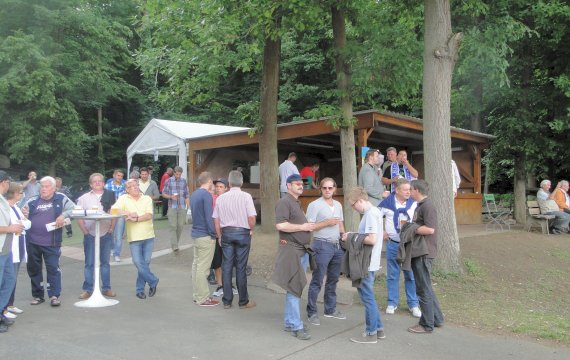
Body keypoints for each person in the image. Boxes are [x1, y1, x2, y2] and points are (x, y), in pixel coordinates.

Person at [272, 174, 316, 341]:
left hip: (301, 250)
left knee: (294, 287)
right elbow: (280, 225)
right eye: (297, 184)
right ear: (288, 185)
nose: (300, 186)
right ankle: (296, 325)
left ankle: (290, 322)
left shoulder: (295, 202)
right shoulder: (284, 202)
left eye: (301, 183)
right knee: (294, 287)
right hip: (291, 250)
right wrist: (303, 226)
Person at [343, 186, 386, 343]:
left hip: (366, 264)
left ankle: (371, 333)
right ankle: (379, 330)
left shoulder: (370, 214)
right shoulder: (373, 213)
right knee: (369, 297)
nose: (353, 208)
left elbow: (371, 239)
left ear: (360, 200)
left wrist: (351, 236)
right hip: (370, 262)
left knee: (368, 299)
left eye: (353, 205)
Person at [27, 176, 75, 307]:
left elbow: (74, 209)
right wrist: (23, 213)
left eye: (47, 186)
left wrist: (63, 215)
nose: (43, 189)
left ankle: (54, 295)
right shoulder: (32, 200)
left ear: (54, 188)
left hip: (52, 242)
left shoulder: (60, 198)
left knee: (53, 268)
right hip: (33, 241)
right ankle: (38, 295)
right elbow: (20, 212)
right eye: (42, 186)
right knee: (34, 269)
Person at [213, 170, 257, 309]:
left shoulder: (221, 198)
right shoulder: (246, 196)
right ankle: (243, 301)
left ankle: (227, 301)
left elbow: (216, 219)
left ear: (229, 183)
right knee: (241, 267)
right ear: (242, 182)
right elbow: (251, 217)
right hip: (242, 233)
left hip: (226, 233)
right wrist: (251, 229)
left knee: (226, 266)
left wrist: (219, 235)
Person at [378, 178, 421, 318]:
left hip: (409, 244)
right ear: (397, 190)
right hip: (393, 244)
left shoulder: (414, 204)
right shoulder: (387, 203)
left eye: (409, 189)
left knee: (410, 275)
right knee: (392, 275)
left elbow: (420, 220)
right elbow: (376, 217)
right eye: (405, 189)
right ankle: (392, 302)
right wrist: (381, 230)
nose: (409, 192)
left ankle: (413, 304)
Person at [306, 177, 345, 326]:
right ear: (320, 189)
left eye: (330, 188)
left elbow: (340, 222)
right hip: (321, 245)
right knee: (317, 280)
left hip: (336, 246)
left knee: (333, 280)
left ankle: (330, 309)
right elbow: (310, 226)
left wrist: (343, 235)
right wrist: (326, 223)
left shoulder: (338, 204)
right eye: (324, 188)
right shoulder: (314, 205)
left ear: (335, 188)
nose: (327, 190)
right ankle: (312, 312)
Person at [408, 179, 444, 333]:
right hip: (421, 251)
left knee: (423, 289)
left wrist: (411, 228)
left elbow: (430, 230)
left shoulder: (428, 206)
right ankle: (437, 319)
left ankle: (426, 324)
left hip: (425, 252)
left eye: (410, 189)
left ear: (416, 190)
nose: (409, 192)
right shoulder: (420, 206)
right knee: (426, 288)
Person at [113, 179, 159, 300]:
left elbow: (149, 215)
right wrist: (127, 212)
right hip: (134, 237)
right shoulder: (124, 198)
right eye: (131, 186)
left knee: (145, 263)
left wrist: (136, 218)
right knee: (138, 263)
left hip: (148, 236)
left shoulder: (147, 198)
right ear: (127, 190)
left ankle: (139, 290)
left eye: (136, 185)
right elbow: (113, 210)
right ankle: (153, 281)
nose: (135, 187)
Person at [76, 173, 117, 300]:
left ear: (104, 183)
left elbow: (114, 212)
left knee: (105, 263)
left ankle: (106, 288)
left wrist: (111, 229)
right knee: (89, 263)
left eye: (100, 181)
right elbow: (78, 215)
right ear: (90, 184)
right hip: (90, 234)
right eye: (95, 181)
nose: (98, 183)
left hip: (105, 233)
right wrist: (85, 231)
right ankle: (88, 289)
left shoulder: (110, 195)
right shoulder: (83, 198)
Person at [190, 172, 218, 307]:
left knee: (196, 266)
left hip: (195, 233)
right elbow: (209, 216)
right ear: (209, 181)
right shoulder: (206, 195)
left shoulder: (194, 194)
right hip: (205, 235)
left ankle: (197, 295)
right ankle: (203, 298)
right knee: (203, 268)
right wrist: (214, 234)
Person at [0, 171, 24, 332]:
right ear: (3, 182)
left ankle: (1, 310)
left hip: (6, 250)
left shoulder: (2, 200)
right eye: (8, 182)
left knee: (9, 280)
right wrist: (11, 228)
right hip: (1, 249)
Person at [4, 182, 30, 319]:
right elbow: (16, 225)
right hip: (10, 246)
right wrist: (21, 223)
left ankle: (10, 304)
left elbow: (26, 223)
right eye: (20, 193)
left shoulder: (16, 207)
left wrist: (23, 220)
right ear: (13, 193)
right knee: (8, 278)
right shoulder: (6, 207)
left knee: (12, 278)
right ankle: (5, 307)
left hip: (19, 244)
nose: (22, 195)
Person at [162, 166, 190, 252]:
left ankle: (175, 243)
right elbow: (163, 194)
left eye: (180, 174)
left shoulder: (184, 181)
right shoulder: (168, 181)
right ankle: (175, 245)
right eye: (177, 174)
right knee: (173, 226)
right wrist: (171, 196)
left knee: (180, 226)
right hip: (172, 207)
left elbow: (187, 194)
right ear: (174, 173)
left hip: (182, 206)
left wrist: (188, 206)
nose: (178, 176)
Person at [211, 178, 228, 295]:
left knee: (228, 260)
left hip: (228, 233)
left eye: (221, 186)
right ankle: (220, 284)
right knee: (217, 261)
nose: (218, 188)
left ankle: (227, 284)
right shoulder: (212, 199)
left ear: (226, 188)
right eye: (216, 186)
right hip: (216, 234)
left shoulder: (229, 199)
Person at [105, 169, 126, 262]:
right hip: (111, 212)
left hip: (121, 213)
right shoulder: (107, 186)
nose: (120, 177)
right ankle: (112, 248)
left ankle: (117, 254)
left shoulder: (126, 185)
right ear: (114, 175)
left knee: (119, 235)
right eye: (118, 175)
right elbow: (104, 200)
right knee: (110, 232)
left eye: (121, 176)